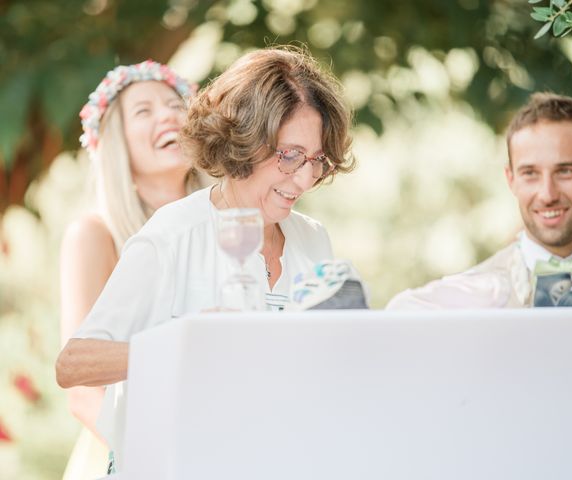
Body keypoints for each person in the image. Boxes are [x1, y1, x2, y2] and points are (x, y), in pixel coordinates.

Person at [56, 46, 355, 472]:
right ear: (245, 140)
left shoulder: (313, 240)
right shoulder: (172, 235)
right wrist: (182, 344)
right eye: (289, 155)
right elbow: (72, 366)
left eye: (316, 160)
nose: (305, 179)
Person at [59, 60, 209, 478]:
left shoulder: (225, 228)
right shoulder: (93, 234)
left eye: (175, 105)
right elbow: (82, 391)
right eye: (144, 111)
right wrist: (155, 456)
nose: (168, 115)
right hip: (129, 454)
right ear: (116, 142)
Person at [387, 92, 572, 309]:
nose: (548, 194)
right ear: (511, 180)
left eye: (565, 171)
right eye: (530, 174)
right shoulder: (473, 293)